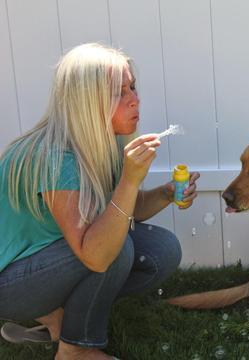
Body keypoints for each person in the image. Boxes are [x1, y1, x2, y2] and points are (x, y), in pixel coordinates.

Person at [0, 43, 200, 359]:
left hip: (49, 260)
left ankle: (61, 319)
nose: (135, 99)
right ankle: (74, 349)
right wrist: (130, 179)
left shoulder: (105, 142)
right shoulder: (57, 159)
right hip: (9, 282)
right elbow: (96, 254)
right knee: (114, 249)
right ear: (86, 103)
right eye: (118, 93)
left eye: (132, 86)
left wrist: (164, 194)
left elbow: (121, 211)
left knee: (162, 251)